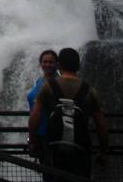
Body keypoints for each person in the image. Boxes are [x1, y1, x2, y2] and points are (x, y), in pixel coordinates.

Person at [28, 47, 108, 179]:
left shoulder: (48, 87)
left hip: (53, 145)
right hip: (81, 147)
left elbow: (35, 115)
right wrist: (103, 151)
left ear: (58, 65)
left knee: (52, 176)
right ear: (78, 66)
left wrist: (32, 140)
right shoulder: (89, 90)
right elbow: (101, 124)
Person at [25, 49, 58, 169]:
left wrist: (32, 139)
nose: (47, 64)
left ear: (57, 64)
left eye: (51, 62)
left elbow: (37, 112)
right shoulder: (40, 80)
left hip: (49, 135)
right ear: (40, 63)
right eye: (44, 62)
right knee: (46, 169)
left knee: (51, 170)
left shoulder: (57, 82)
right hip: (39, 133)